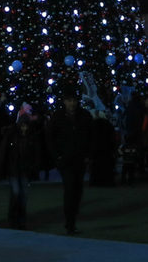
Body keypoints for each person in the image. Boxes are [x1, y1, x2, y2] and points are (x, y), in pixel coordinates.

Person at [47, 89, 90, 235]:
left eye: (74, 100)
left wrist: (87, 154)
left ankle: (72, 220)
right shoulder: (58, 117)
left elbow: (91, 136)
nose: (72, 103)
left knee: (77, 190)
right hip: (65, 160)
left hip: (79, 158)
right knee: (70, 189)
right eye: (69, 100)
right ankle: (70, 222)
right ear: (65, 101)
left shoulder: (84, 116)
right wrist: (57, 157)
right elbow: (50, 138)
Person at [0, 106, 41, 230]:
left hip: (24, 168)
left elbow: (36, 154)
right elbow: (4, 152)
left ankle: (20, 219)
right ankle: (14, 218)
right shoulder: (12, 135)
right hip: (14, 168)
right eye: (22, 126)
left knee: (23, 195)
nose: (24, 128)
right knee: (16, 193)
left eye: (26, 126)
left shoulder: (31, 137)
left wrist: (34, 167)